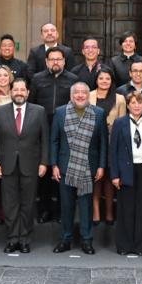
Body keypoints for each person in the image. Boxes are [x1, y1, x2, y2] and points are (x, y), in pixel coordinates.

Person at [0, 78, 48, 254]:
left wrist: (44, 162)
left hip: (31, 164)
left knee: (28, 204)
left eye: (22, 90)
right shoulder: (0, 112)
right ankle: (12, 238)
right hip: (6, 165)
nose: (19, 93)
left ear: (28, 93)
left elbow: (44, 139)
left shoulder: (39, 111)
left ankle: (24, 238)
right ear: (11, 92)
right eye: (16, 90)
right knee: (10, 204)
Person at [51, 82, 107, 255]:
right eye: (77, 93)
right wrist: (53, 164)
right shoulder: (60, 112)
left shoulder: (98, 113)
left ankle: (87, 240)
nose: (80, 95)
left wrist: (101, 166)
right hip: (65, 166)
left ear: (88, 95)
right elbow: (54, 140)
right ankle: (66, 239)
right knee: (66, 206)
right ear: (71, 95)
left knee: (86, 206)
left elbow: (103, 142)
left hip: (89, 167)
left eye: (84, 92)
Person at [30, 46, 79, 222]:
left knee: (62, 171)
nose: (55, 62)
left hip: (65, 131)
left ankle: (61, 210)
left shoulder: (73, 80)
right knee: (44, 171)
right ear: (46, 62)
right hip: (42, 131)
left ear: (64, 61)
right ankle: (44, 209)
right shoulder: (37, 79)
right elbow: (31, 104)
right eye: (52, 59)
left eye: (59, 59)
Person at [110, 91, 142, 256]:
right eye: (133, 103)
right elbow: (113, 151)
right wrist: (115, 175)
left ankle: (140, 245)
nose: (136, 106)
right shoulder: (119, 123)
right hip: (126, 170)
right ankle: (124, 245)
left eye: (140, 103)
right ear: (128, 105)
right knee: (126, 208)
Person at [89, 68, 126, 225]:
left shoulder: (119, 99)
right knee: (95, 178)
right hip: (92, 143)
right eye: (101, 78)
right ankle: (96, 211)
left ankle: (110, 212)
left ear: (112, 81)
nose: (104, 81)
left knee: (110, 179)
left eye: (107, 79)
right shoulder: (88, 95)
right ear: (96, 80)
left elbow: (123, 123)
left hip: (112, 142)